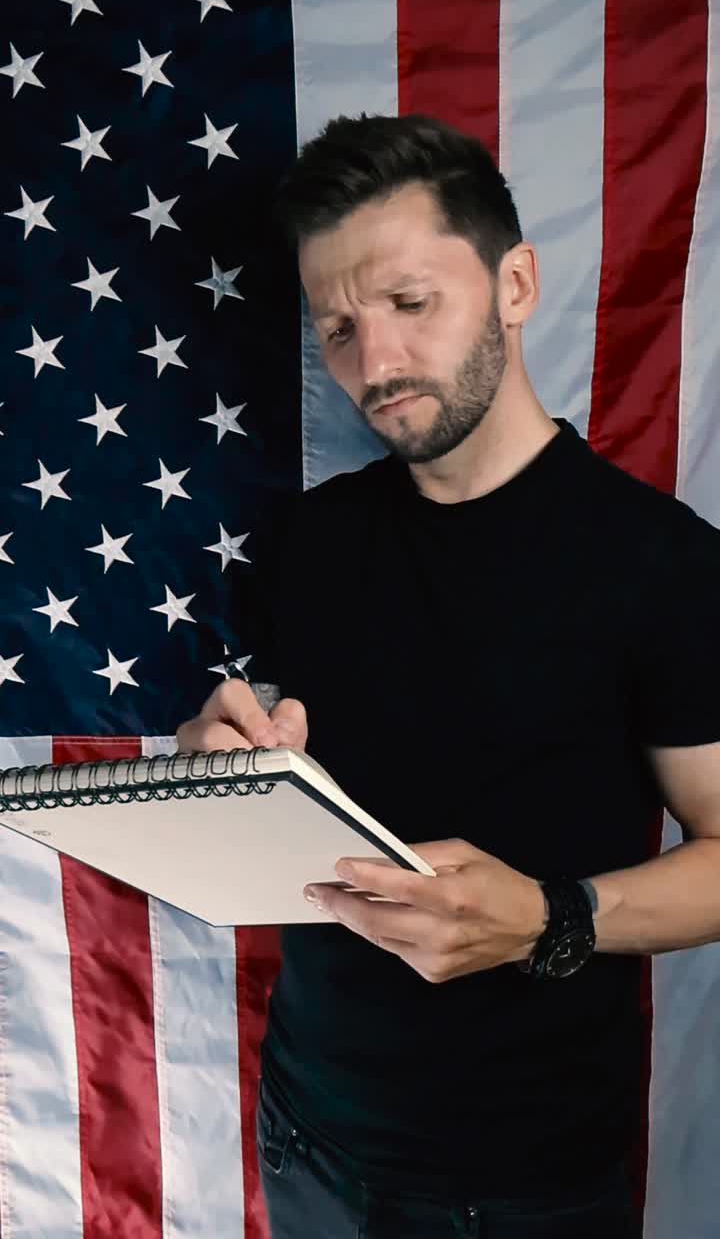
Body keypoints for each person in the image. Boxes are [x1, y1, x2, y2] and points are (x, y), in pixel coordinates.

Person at [176, 114, 720, 1238]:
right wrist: (216, 769)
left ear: (515, 282)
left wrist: (547, 917)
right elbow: (294, 790)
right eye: (337, 326)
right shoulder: (313, 539)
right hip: (310, 1129)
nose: (373, 364)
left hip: (524, 1179)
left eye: (410, 303)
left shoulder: (663, 559)